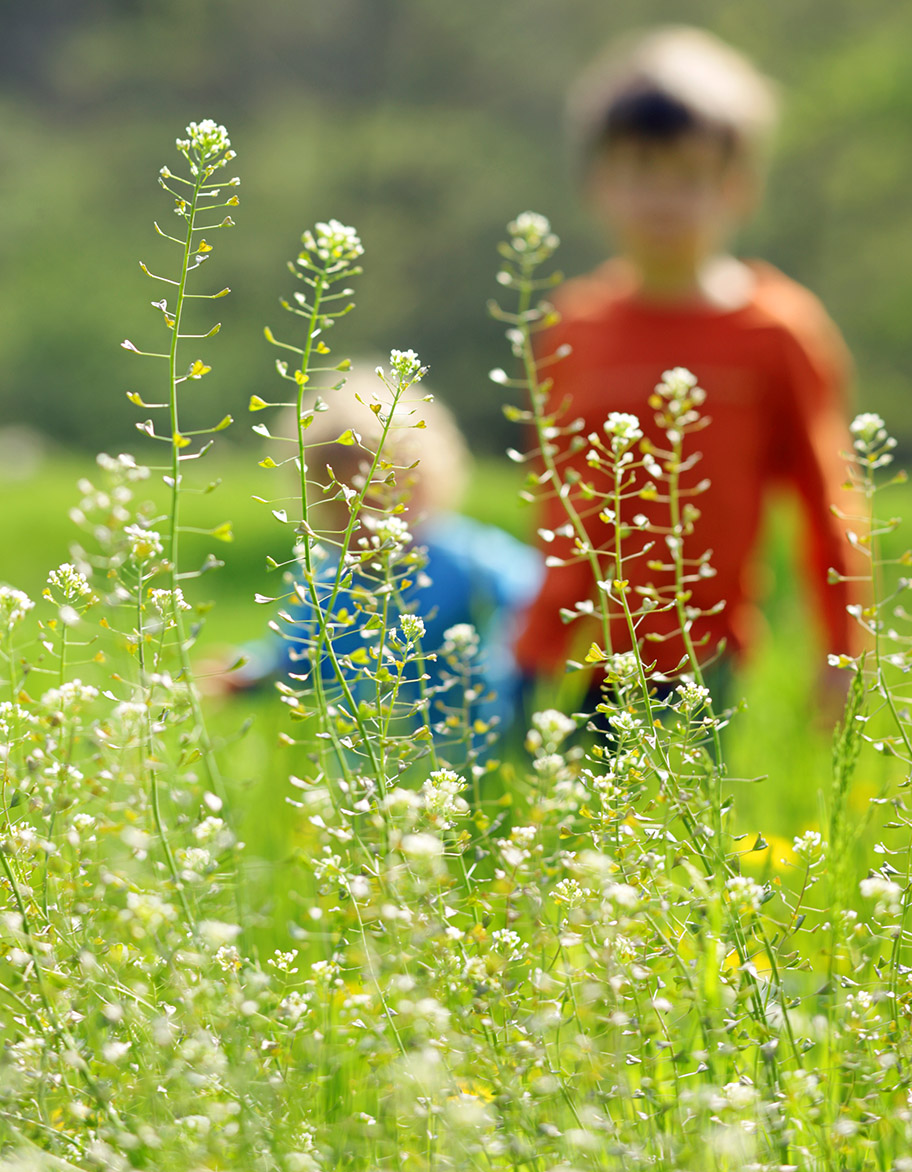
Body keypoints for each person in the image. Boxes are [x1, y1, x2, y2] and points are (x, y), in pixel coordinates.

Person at [513, 26, 861, 704]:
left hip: (706, 665)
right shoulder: (570, 325)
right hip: (567, 660)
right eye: (641, 172)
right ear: (598, 182)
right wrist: (533, 644)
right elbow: (553, 501)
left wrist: (842, 651)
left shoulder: (776, 329)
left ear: (738, 187)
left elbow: (829, 504)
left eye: (689, 176)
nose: (662, 201)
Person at [234, 366, 543, 755]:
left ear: (428, 482)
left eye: (381, 493)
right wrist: (242, 673)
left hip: (466, 763)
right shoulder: (324, 578)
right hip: (363, 768)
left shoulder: (472, 560)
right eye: (339, 500)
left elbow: (544, 599)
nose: (361, 514)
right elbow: (295, 660)